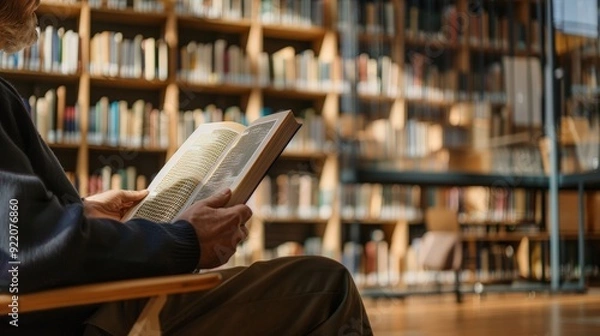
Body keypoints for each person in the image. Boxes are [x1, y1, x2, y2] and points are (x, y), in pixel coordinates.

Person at [0, 1, 372, 335]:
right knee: (327, 287)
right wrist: (186, 240)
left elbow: (16, 232)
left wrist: (79, 212)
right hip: (69, 318)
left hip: (62, 306)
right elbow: (24, 250)